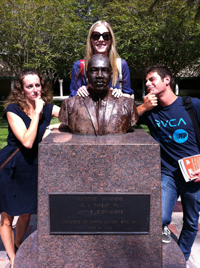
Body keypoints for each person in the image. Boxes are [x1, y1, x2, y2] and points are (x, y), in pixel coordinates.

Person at [137, 64, 200, 267]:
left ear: (167, 80)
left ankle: (181, 258)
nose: (148, 84)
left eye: (152, 79)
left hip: (194, 173)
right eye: (146, 81)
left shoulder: (192, 105)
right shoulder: (151, 112)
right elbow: (123, 120)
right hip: (169, 174)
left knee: (191, 222)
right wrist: (143, 107)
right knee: (161, 216)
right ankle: (159, 243)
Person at [0, 69, 60, 268]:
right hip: (12, 167)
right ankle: (13, 258)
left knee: (26, 212)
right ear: (21, 89)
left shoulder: (49, 107)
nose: (35, 90)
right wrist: (37, 113)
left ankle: (19, 246)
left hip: (33, 168)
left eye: (37, 85)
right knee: (8, 217)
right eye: (30, 86)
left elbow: (73, 116)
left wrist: (55, 127)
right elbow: (27, 141)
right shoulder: (12, 109)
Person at [59, 54, 138, 135]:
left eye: (105, 70)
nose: (99, 75)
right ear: (87, 74)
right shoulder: (69, 104)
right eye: (94, 70)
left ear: (111, 74)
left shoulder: (128, 104)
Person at [69, 20, 133, 98]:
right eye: (96, 36)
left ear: (111, 41)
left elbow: (128, 96)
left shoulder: (121, 65)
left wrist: (120, 95)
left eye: (106, 36)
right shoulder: (80, 66)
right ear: (91, 41)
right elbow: (72, 99)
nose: (101, 39)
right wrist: (79, 93)